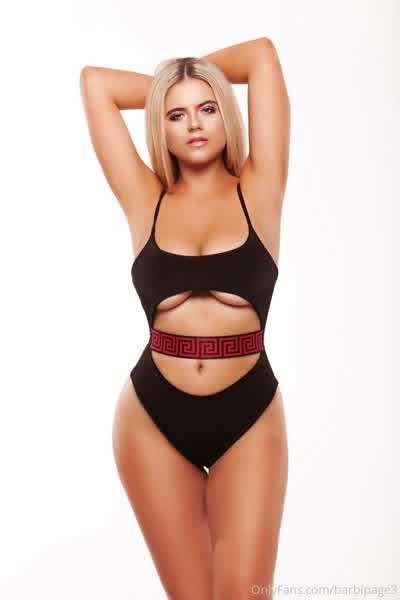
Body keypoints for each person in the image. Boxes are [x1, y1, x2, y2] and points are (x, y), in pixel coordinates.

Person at [80, 36, 290, 600]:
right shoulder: (144, 197)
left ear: (227, 115)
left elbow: (261, 55)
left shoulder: (260, 187)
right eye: (175, 114)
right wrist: (171, 83)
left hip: (248, 412)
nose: (194, 123)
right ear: (161, 125)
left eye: (208, 107)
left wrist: (192, 76)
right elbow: (95, 83)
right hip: (152, 417)